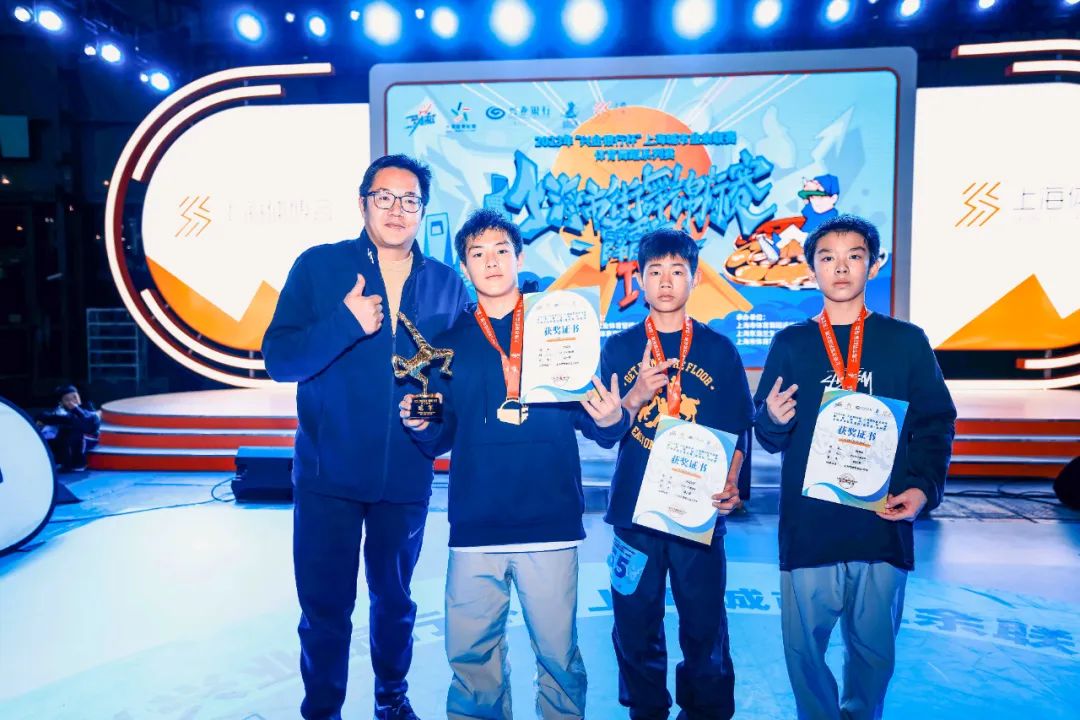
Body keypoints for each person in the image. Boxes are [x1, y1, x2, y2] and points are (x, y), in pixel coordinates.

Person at [262, 154, 471, 720]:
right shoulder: (319, 267)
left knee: (395, 603)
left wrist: (435, 430)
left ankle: (390, 700)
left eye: (410, 200)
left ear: (423, 211)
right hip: (327, 476)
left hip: (405, 477)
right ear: (362, 204)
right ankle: (322, 709)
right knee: (325, 610)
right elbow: (279, 359)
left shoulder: (447, 285)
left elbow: (455, 385)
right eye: (384, 197)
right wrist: (344, 324)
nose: (397, 209)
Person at [400, 208, 629, 720]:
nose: (491, 262)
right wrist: (420, 423)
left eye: (502, 250)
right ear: (464, 267)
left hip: (549, 522)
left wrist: (613, 418)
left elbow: (596, 423)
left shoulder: (559, 328)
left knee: (558, 659)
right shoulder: (448, 341)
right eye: (478, 254)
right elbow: (441, 432)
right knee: (472, 661)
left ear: (519, 258)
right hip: (475, 527)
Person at [753, 214, 956, 720]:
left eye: (854, 256)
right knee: (804, 656)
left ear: (873, 265)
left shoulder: (906, 341)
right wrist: (772, 420)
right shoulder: (791, 343)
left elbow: (935, 420)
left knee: (874, 658)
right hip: (810, 528)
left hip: (881, 524)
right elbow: (767, 433)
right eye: (827, 258)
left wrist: (924, 488)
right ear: (812, 269)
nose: (840, 268)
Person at [598, 227, 754, 720]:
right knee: (634, 623)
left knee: (705, 625)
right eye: (655, 271)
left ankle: (706, 710)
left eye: (677, 271)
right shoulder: (619, 349)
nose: (666, 282)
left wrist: (733, 482)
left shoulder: (719, 350)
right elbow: (603, 431)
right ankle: (645, 710)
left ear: (695, 278)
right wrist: (635, 396)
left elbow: (738, 427)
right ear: (639, 279)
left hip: (699, 514)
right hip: (634, 516)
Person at [37, 384, 101, 472]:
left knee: (73, 431)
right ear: (61, 402)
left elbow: (87, 423)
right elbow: (44, 417)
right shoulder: (60, 412)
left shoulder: (88, 407)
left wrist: (76, 409)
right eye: (67, 399)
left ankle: (79, 462)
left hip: (90, 439)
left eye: (75, 397)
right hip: (68, 442)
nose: (72, 401)